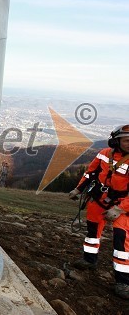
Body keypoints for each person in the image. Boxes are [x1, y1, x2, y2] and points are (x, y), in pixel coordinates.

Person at [68, 125, 129, 299]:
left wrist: (119, 209)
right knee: (92, 232)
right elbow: (90, 173)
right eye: (126, 140)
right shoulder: (104, 153)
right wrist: (78, 189)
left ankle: (123, 281)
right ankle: (89, 260)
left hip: (123, 206)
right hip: (100, 200)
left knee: (122, 242)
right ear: (116, 141)